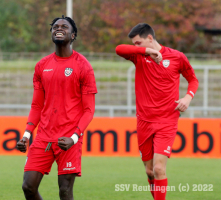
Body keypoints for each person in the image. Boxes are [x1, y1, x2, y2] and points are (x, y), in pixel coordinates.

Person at [16, 15, 97, 200]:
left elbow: (89, 110)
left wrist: (74, 137)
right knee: (28, 186)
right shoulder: (42, 66)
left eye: (64, 27)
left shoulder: (84, 66)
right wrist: (27, 135)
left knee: (65, 191)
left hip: (68, 137)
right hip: (44, 136)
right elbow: (37, 105)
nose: (59, 28)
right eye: (55, 26)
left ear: (73, 35)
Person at [115, 23, 199, 200]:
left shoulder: (177, 57)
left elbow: (193, 80)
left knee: (159, 168)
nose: (135, 46)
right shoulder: (138, 56)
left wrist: (187, 98)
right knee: (150, 171)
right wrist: (145, 52)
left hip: (167, 120)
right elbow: (119, 49)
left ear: (150, 38)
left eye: (138, 43)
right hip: (144, 121)